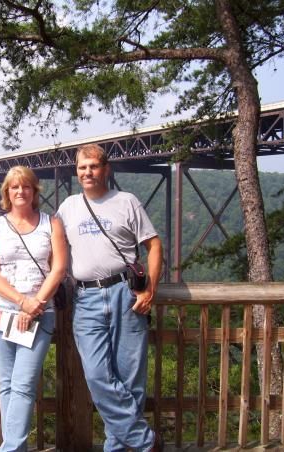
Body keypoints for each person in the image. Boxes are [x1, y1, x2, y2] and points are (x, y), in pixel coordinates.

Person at [56, 144, 164, 452]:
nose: (87, 172)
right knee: (97, 375)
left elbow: (155, 247)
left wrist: (150, 290)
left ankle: (116, 448)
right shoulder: (68, 208)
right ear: (76, 172)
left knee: (130, 379)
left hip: (125, 293)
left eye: (93, 166)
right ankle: (147, 442)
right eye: (82, 167)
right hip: (86, 297)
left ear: (106, 169)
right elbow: (48, 249)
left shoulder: (126, 202)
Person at [0, 165, 67, 451]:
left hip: (40, 313)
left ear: (34, 191)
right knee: (6, 383)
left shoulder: (51, 223)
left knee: (23, 383)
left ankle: (11, 449)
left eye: (26, 186)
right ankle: (16, 446)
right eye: (15, 187)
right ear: (7, 192)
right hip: (0, 310)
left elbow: (58, 269)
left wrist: (33, 306)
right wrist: (22, 302)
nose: (21, 191)